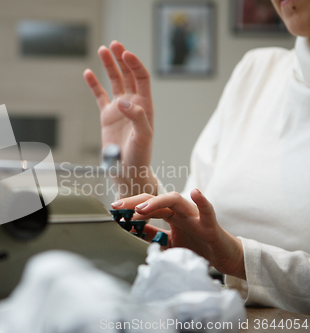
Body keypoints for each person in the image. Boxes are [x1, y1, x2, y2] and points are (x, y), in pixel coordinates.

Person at [83, 0, 310, 315]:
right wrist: (133, 176)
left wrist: (241, 259)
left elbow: (222, 250)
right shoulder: (257, 71)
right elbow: (194, 226)